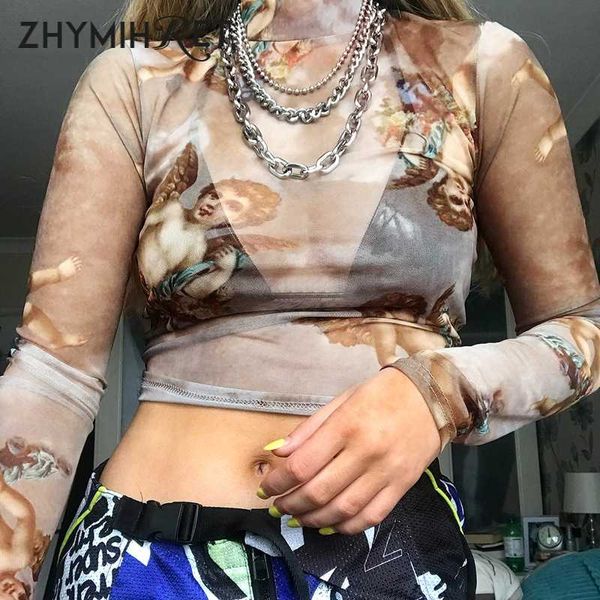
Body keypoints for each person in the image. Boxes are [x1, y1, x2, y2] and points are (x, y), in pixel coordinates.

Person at [0, 0, 598, 597]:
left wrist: (441, 392)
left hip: (391, 562)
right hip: (143, 561)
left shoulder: (485, 64)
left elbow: (583, 326)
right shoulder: (135, 79)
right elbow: (52, 378)